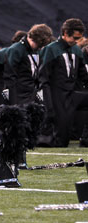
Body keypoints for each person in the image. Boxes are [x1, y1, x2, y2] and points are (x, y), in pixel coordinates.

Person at [39, 18, 88, 147]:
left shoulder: (76, 50)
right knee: (61, 141)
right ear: (65, 33)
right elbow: (43, 78)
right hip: (56, 95)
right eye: (75, 38)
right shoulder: (51, 49)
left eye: (79, 38)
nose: (77, 41)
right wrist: (48, 104)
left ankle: (86, 139)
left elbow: (83, 75)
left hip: (71, 94)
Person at [4, 24, 53, 105]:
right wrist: (13, 102)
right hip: (18, 96)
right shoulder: (15, 50)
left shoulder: (35, 51)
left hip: (31, 95)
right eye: (39, 45)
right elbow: (9, 77)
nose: (39, 48)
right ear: (35, 39)